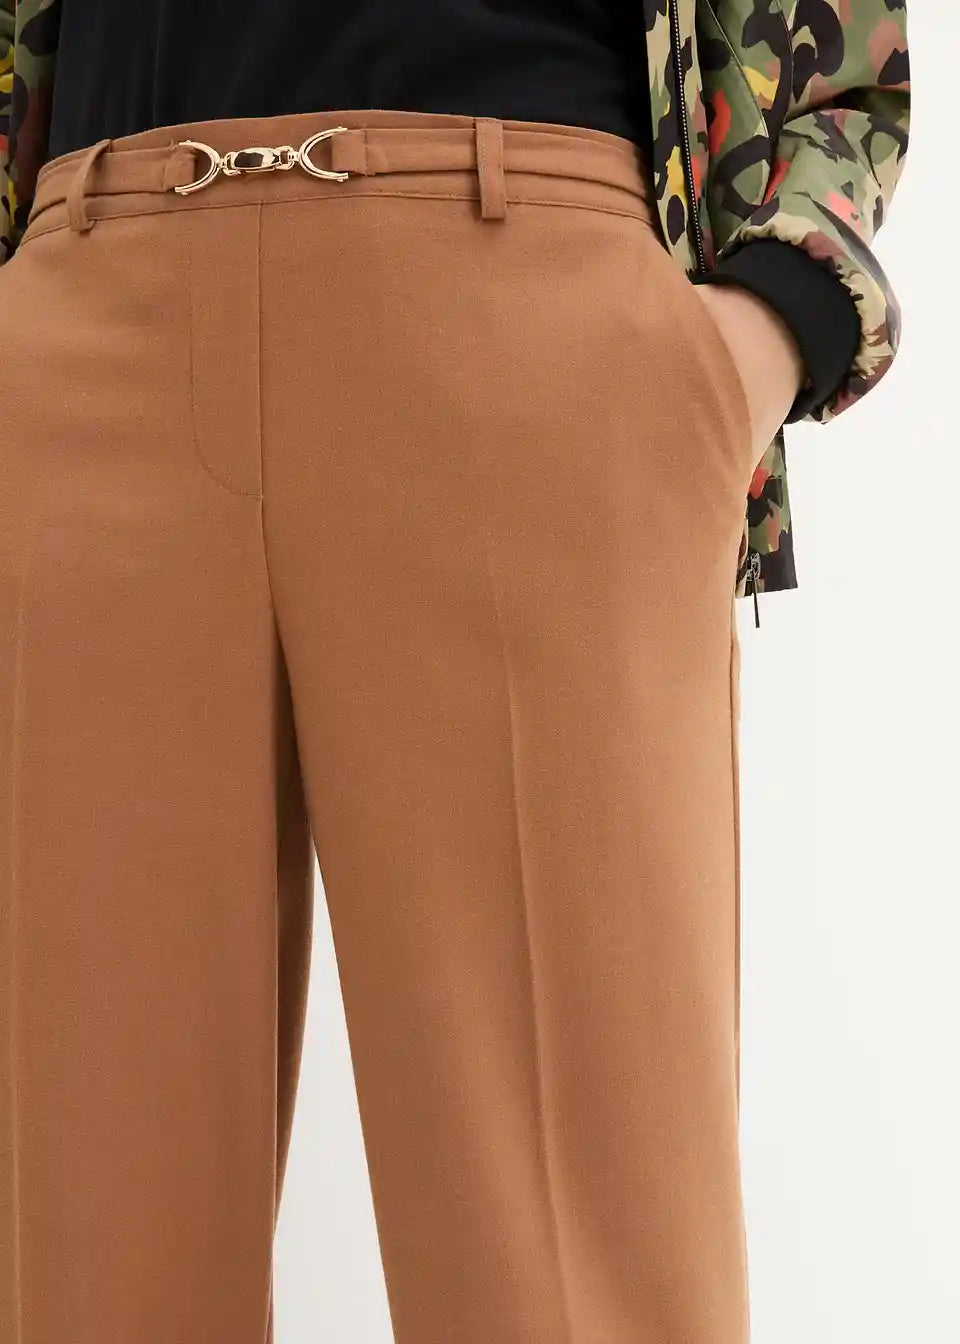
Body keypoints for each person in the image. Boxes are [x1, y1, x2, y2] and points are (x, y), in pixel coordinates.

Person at [0, 3, 909, 1342]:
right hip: (82, 308)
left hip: (526, 304)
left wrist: (773, 320)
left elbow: (842, 53)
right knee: (79, 1259)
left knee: (576, 1277)